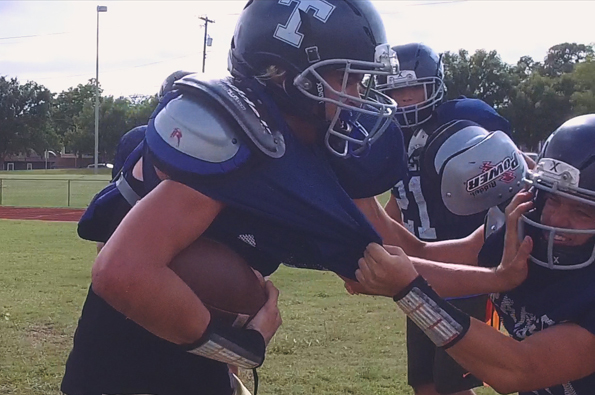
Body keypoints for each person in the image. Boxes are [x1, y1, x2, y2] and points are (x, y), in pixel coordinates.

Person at [61, 1, 407, 394]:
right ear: (287, 74)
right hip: (128, 372)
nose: (357, 97)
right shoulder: (229, 143)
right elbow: (120, 270)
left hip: (183, 367)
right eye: (345, 79)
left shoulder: (281, 148)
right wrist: (246, 345)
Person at [355, 114, 595, 395]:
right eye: (553, 199)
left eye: (582, 211)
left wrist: (409, 292)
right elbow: (420, 253)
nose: (556, 220)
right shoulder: (525, 228)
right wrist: (358, 190)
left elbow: (519, 368)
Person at [372, 43, 513, 395]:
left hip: (464, 269)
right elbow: (402, 200)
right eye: (395, 90)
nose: (404, 99)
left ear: (433, 85)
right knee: (424, 379)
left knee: (453, 382)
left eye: (412, 89)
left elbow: (509, 183)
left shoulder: (461, 124)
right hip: (420, 270)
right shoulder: (391, 138)